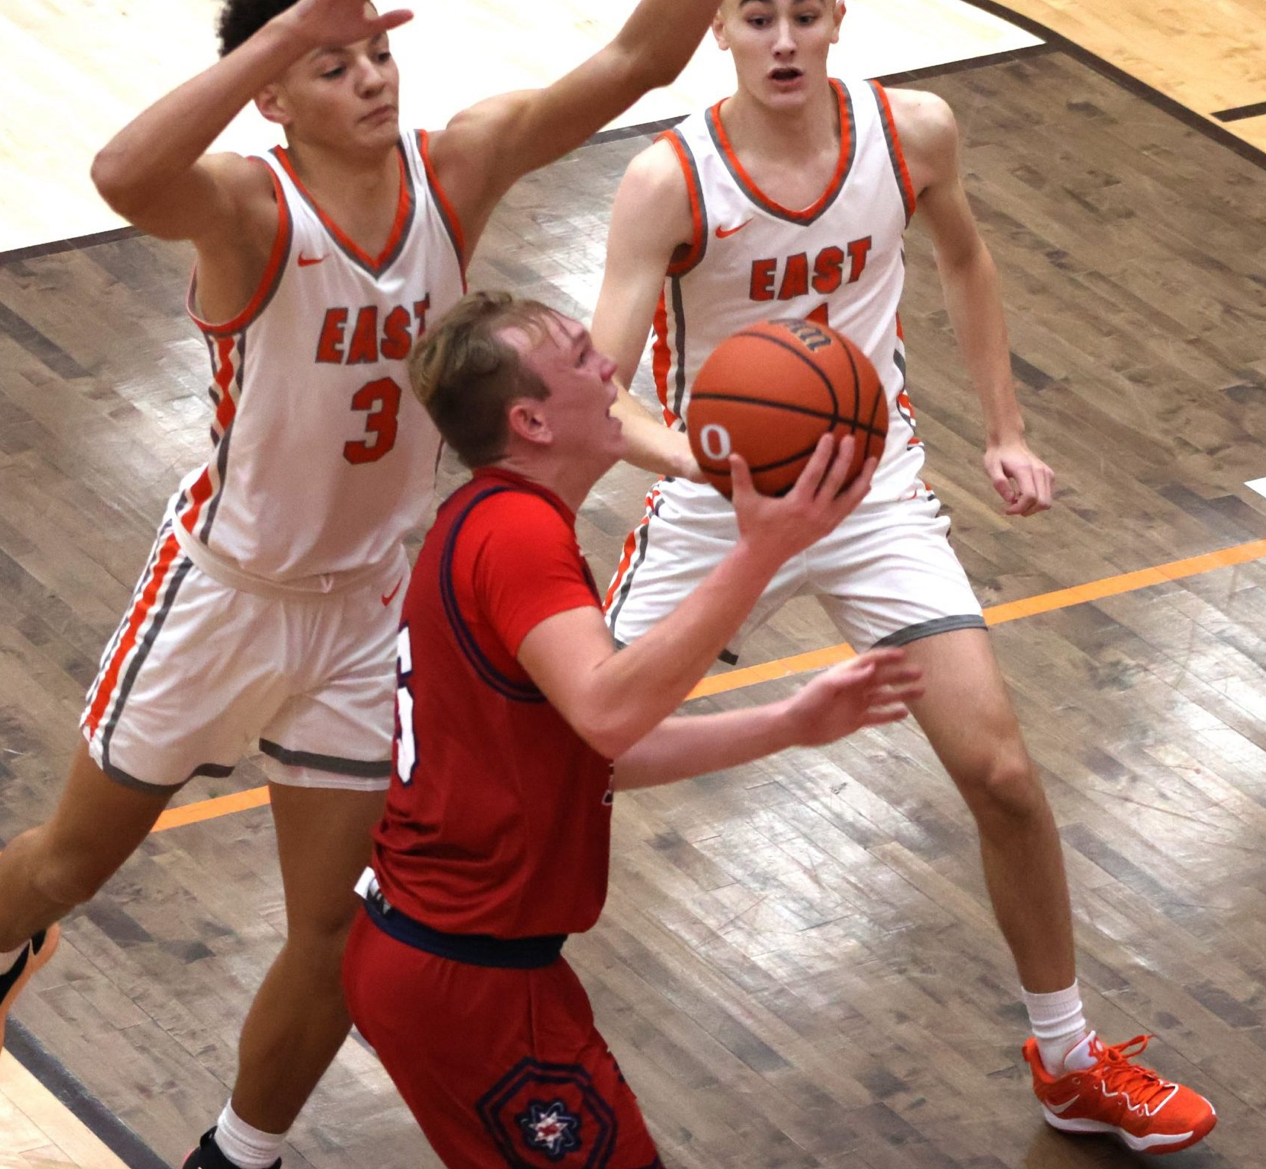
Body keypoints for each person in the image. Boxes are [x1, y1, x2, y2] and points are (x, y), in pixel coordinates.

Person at [0, 1, 740, 1166]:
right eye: (332, 67)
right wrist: (278, 35)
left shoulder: (456, 170)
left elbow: (639, 59)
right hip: (226, 592)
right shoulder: (249, 205)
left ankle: (239, 1152)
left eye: (380, 56)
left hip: (364, 616)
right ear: (274, 98)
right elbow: (121, 174)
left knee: (336, 923)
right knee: (69, 865)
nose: (372, 81)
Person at [591, 0, 1216, 1155]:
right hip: (721, 506)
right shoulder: (667, 180)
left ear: (839, 17)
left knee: (1005, 773)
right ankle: (434, 937)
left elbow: (967, 258)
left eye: (806, 13)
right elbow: (603, 391)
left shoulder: (912, 130)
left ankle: (1070, 1058)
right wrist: (704, 459)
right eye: (758, 17)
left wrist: (1006, 430)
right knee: (569, 753)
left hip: (871, 492)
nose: (785, 39)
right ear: (720, 28)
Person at [341, 288, 924, 1167]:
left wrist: (789, 722)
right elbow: (610, 711)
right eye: (582, 357)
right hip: (469, 981)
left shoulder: (488, 518)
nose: (611, 366)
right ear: (532, 421)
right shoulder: (516, 533)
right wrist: (761, 550)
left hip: (446, 964)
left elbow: (593, 749)